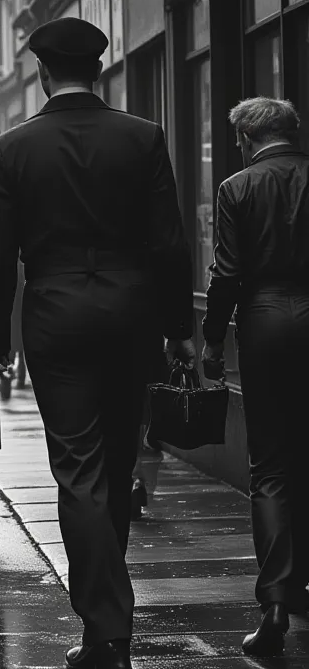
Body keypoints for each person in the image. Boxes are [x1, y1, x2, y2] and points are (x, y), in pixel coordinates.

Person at [0, 17, 195, 669]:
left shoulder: (12, 149)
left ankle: (106, 628)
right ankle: (108, 627)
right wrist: (179, 329)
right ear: (99, 69)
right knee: (118, 464)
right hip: (131, 317)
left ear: (43, 74)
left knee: (79, 470)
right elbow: (170, 243)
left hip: (56, 318)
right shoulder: (143, 138)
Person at [202, 97, 309, 657]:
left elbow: (228, 273)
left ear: (246, 139)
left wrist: (212, 341)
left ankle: (274, 605)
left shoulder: (237, 188)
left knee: (270, 464)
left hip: (265, 322)